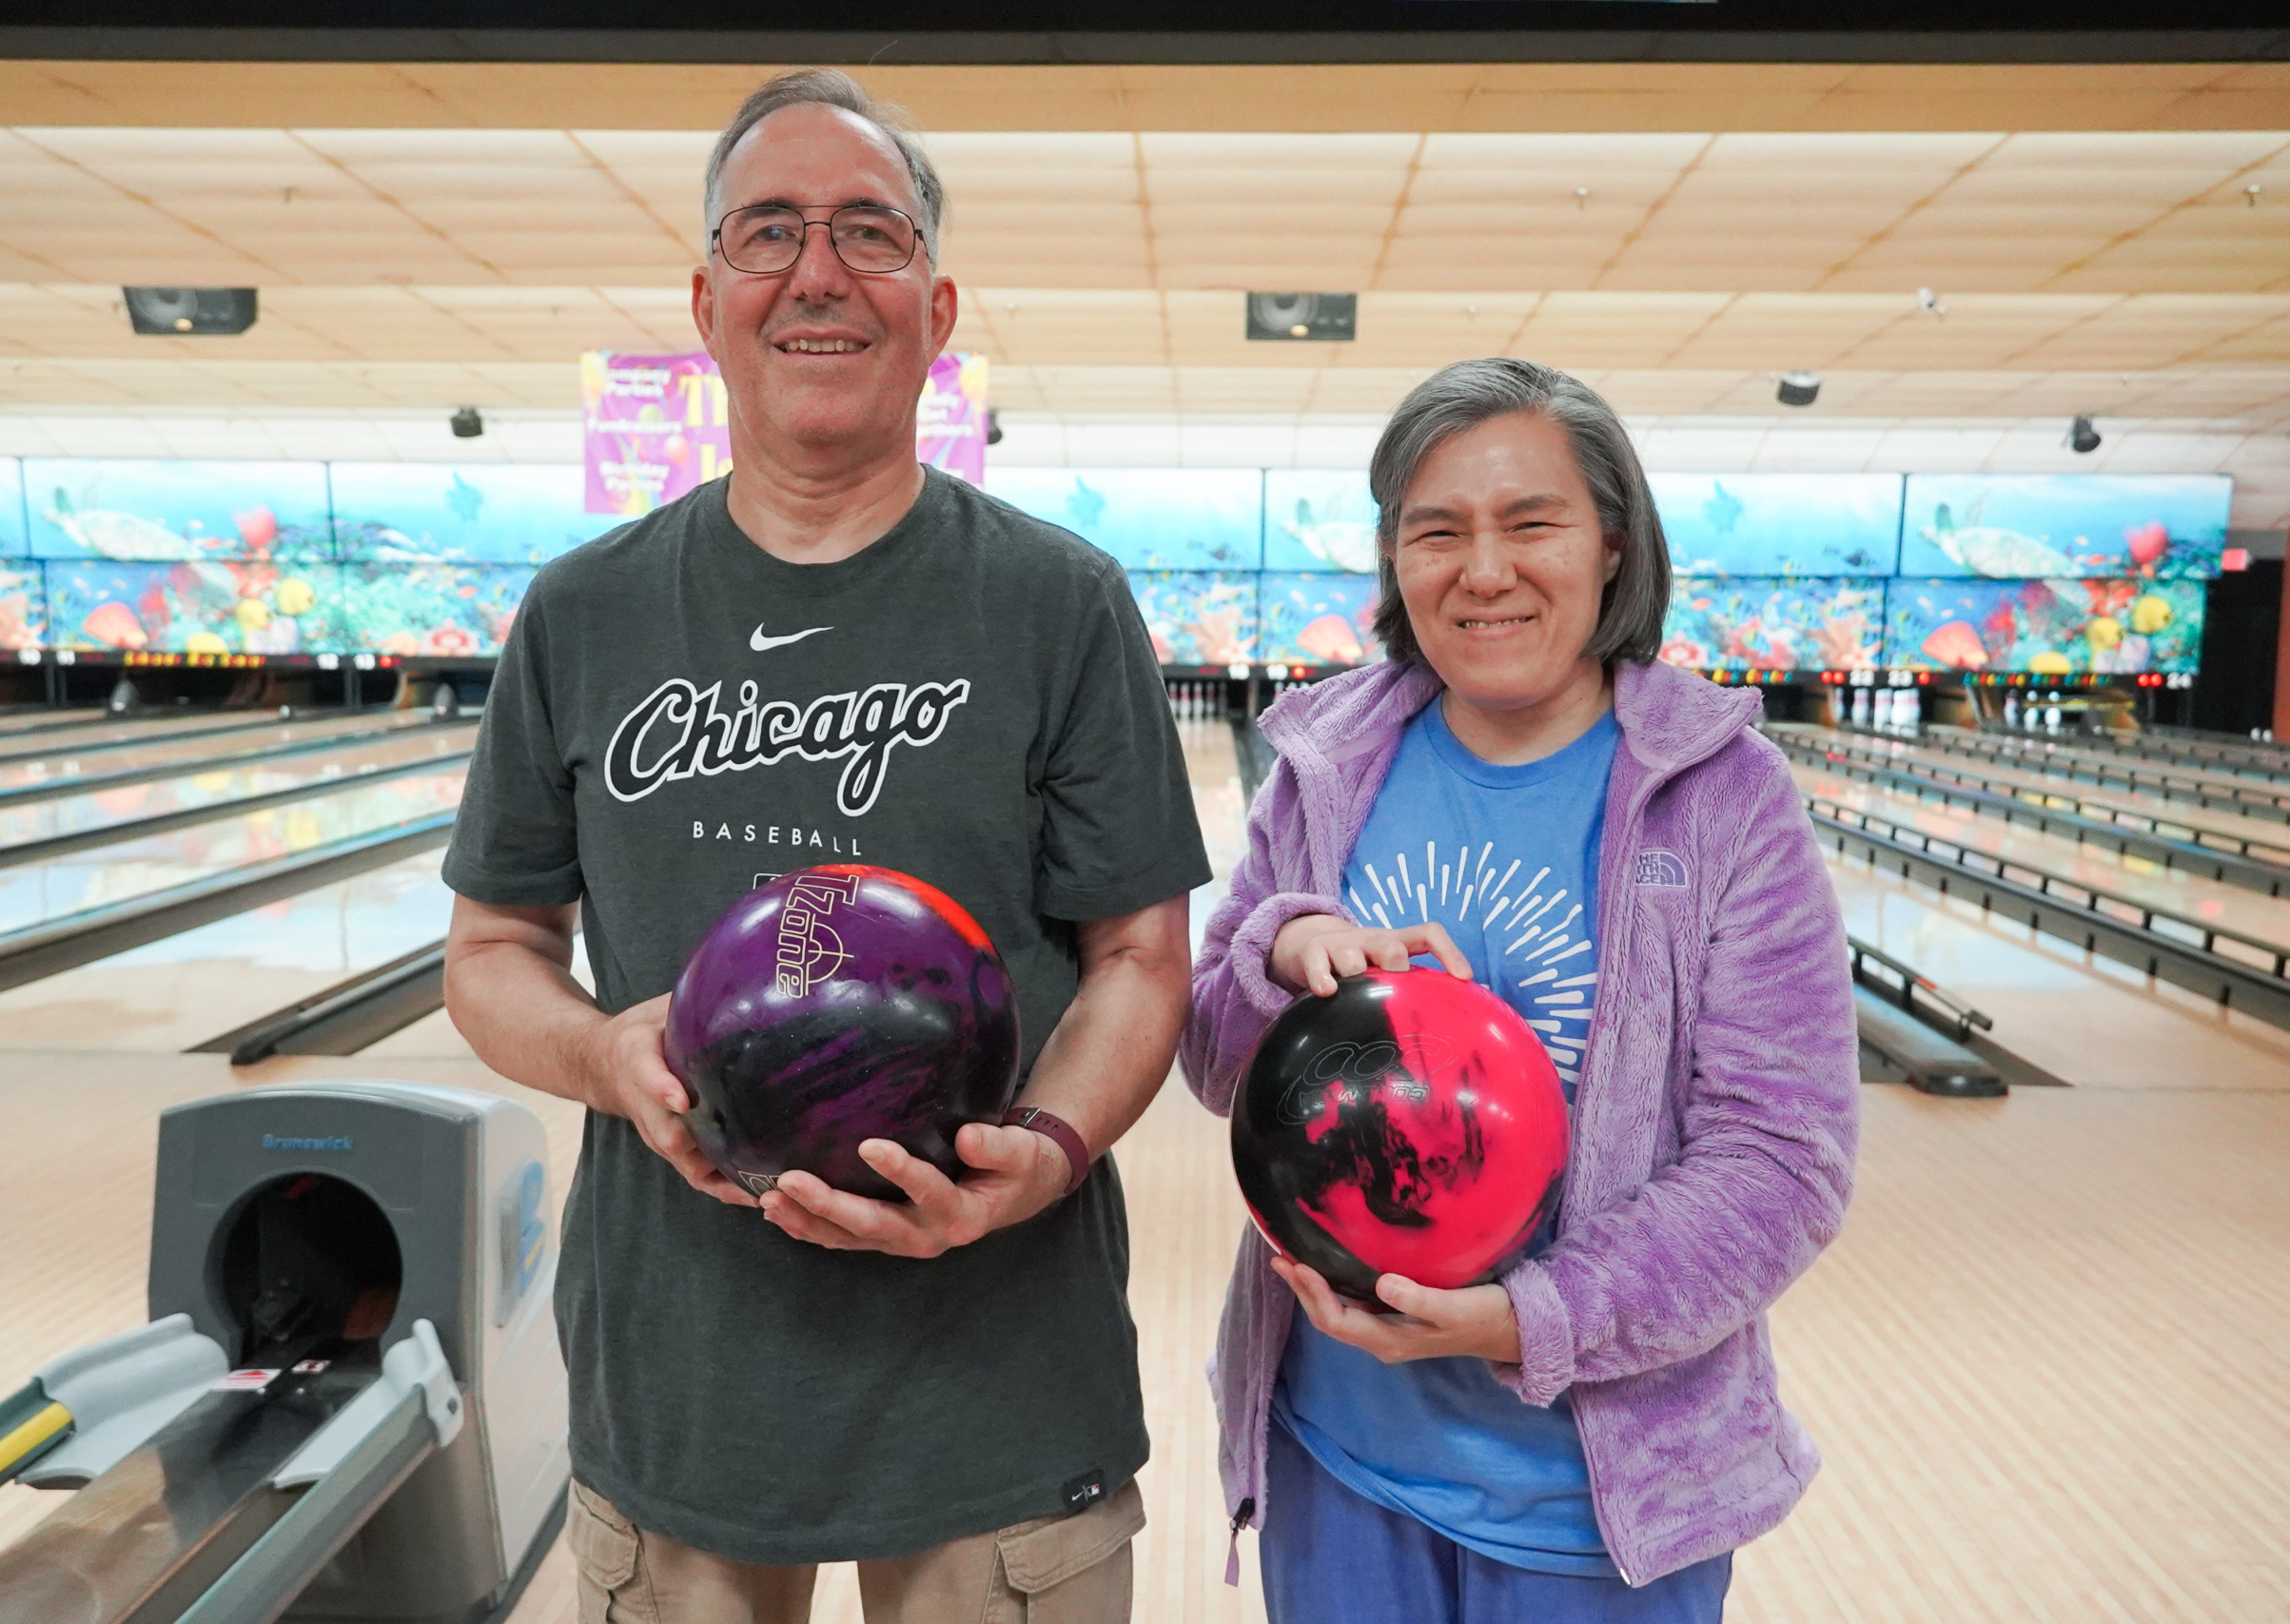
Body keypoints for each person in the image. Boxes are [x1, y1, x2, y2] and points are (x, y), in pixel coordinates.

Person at [441, 69, 1211, 1624]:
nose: (817, 272)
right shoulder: (582, 614)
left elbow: (1142, 960)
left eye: (869, 232)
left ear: (934, 309)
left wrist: (1041, 1159)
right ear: (709, 299)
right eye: (769, 232)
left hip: (1001, 1390)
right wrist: (606, 1060)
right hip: (685, 1397)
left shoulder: (1063, 603)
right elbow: (491, 953)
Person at [1181, 358, 1859, 1622]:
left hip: (1598, 1508)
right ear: (1396, 564)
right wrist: (1276, 953)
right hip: (1337, 1463)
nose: (1481, 570)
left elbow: (1781, 1162)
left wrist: (1522, 1320)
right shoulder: (1327, 768)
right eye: (1436, 532)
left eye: (1529, 523)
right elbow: (1218, 1063)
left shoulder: (1724, 802)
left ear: (1612, 545)